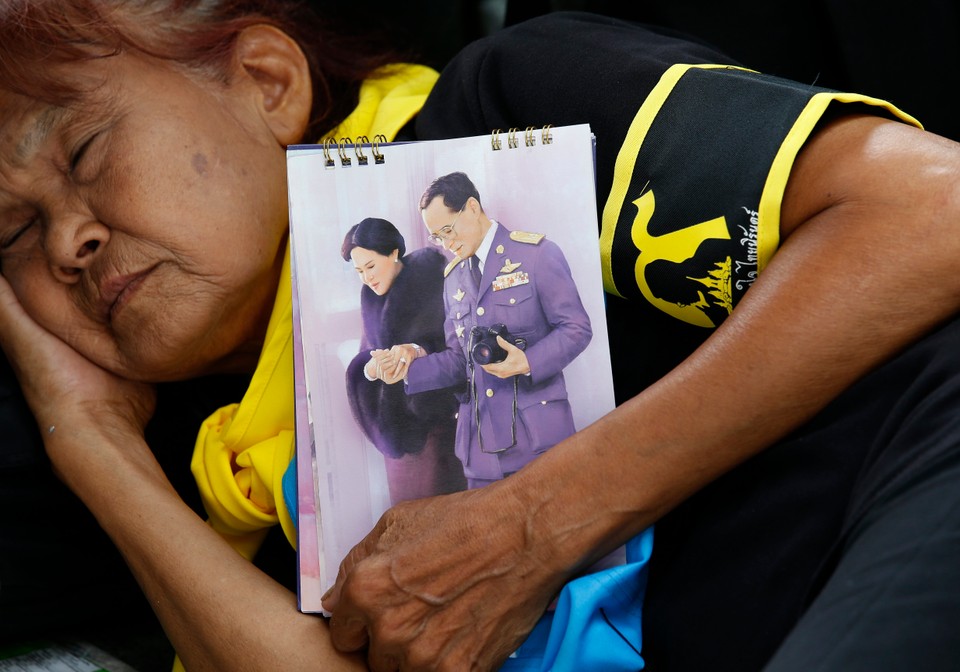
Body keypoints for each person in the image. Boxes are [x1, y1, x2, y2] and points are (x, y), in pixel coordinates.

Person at [1, 3, 960, 671]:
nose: (69, 241)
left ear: (265, 79)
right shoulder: (235, 496)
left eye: (84, 150)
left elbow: (933, 212)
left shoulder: (497, 114)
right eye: (12, 236)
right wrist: (89, 439)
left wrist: (536, 520)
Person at [388, 171, 592, 488]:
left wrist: (527, 362)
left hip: (539, 439)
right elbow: (460, 359)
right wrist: (406, 367)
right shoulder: (453, 277)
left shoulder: (536, 255)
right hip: (481, 449)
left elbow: (576, 328)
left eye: (448, 230)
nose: (446, 243)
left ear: (471, 207)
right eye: (437, 237)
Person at [341, 217, 465, 503]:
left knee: (442, 514)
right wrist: (371, 369)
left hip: (439, 431)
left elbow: (457, 349)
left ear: (394, 253)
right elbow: (367, 351)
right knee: (406, 517)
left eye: (370, 267)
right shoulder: (370, 299)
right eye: (359, 271)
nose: (366, 278)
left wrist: (416, 351)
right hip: (395, 435)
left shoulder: (434, 279)